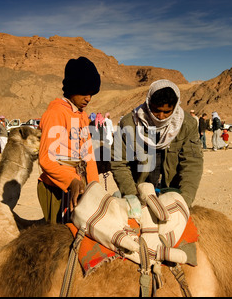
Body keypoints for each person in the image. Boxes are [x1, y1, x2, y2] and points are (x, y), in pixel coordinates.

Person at [110, 79, 203, 208]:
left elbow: (192, 164)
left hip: (172, 193)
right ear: (148, 104)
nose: (160, 116)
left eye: (166, 112)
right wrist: (133, 196)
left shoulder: (187, 125)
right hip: (138, 192)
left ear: (175, 108)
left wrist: (184, 200)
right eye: (156, 110)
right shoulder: (129, 123)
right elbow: (119, 162)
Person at [37, 57, 100, 224]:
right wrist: (70, 180)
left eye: (91, 94)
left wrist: (95, 187)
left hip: (78, 185)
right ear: (73, 87)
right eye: (85, 92)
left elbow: (89, 156)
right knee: (59, 240)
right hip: (56, 189)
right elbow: (46, 159)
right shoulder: (56, 113)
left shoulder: (82, 115)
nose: (88, 98)